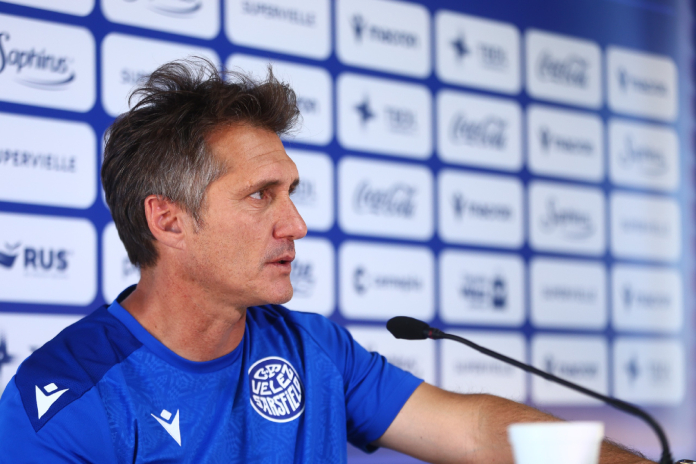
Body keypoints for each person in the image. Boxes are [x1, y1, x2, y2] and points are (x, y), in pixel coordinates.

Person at [0, 59, 652, 463]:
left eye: (291, 193)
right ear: (168, 220)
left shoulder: (314, 348)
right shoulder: (63, 400)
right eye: (261, 195)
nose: (297, 225)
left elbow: (479, 432)